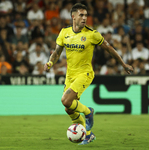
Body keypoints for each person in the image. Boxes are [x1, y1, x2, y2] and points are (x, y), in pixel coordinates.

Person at [44, 3, 133, 145]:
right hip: (70, 75)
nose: (84, 18)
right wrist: (49, 63)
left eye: (86, 15)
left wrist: (123, 64)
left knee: (66, 100)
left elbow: (109, 49)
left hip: (85, 73)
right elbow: (56, 53)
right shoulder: (64, 33)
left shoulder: (92, 34)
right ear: (73, 16)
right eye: (81, 15)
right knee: (69, 108)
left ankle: (88, 112)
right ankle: (88, 135)